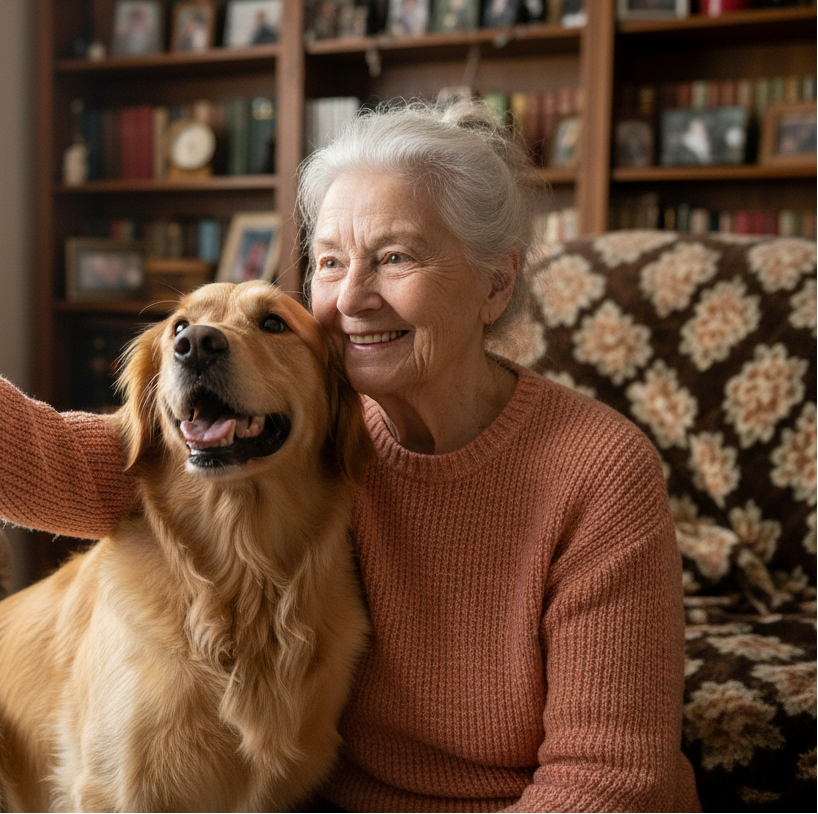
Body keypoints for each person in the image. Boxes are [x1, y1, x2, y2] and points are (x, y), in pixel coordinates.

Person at [0, 99, 701, 812]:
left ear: (496, 283)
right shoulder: (302, 434)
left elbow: (608, 781)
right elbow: (48, 459)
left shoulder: (600, 472)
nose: (353, 298)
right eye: (331, 262)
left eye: (395, 258)